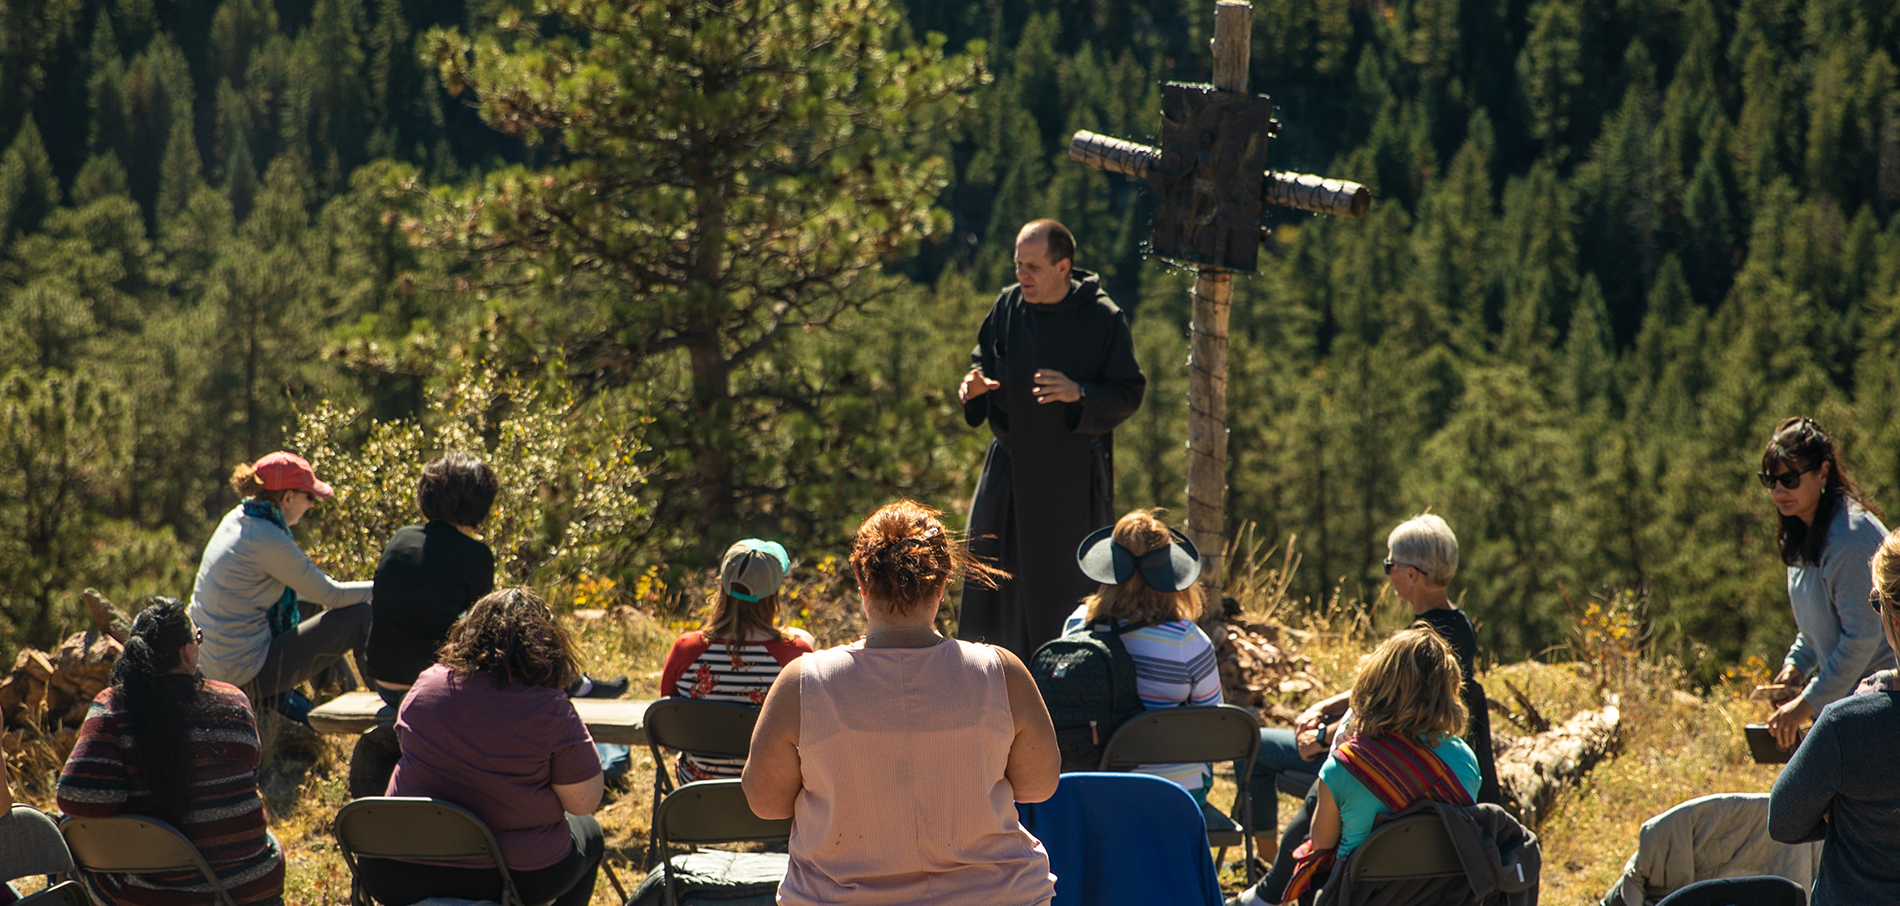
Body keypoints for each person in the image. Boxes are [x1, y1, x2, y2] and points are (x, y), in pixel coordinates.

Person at [743, 500, 1060, 906]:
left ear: (861, 580)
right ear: (943, 584)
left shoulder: (804, 684)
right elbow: (1039, 786)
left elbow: (765, 803)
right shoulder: (1002, 673)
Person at [1242, 514, 1499, 901]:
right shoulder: (1457, 628)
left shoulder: (1421, 637)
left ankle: (1268, 884)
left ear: (1411, 574)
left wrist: (1321, 734)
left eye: (1390, 565)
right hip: (1431, 806)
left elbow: (1379, 713)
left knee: (1297, 767)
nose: (1388, 573)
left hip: (1383, 770)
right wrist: (1327, 704)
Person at [957, 219, 1147, 660]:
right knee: (992, 588)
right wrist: (976, 386)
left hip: (1071, 481)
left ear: (1063, 267)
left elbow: (1129, 392)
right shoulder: (1008, 305)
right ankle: (986, 679)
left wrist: (1080, 392)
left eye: (1033, 267)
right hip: (1010, 473)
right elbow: (982, 360)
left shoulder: (1103, 317)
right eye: (1018, 264)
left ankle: (1064, 682)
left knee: (1064, 591)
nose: (1022, 275)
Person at [364, 587, 605, 906]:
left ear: (468, 633)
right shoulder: (548, 708)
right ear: (549, 647)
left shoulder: (425, 686)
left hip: (398, 868)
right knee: (591, 833)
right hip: (513, 877)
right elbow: (584, 802)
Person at [56, 598, 286, 906]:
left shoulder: (114, 707)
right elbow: (248, 779)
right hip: (250, 891)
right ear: (187, 652)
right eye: (198, 637)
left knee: (62, 827)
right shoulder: (235, 701)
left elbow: (78, 800)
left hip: (156, 895)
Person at [1236, 627, 1483, 906]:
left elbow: (1320, 844)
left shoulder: (1345, 765)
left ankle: (1264, 895)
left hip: (1359, 897)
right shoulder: (1464, 760)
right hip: (1436, 897)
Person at [366, 452, 626, 715]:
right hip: (432, 688)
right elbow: (489, 631)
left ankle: (574, 682)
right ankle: (573, 684)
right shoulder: (473, 554)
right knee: (510, 630)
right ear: (480, 504)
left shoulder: (401, 538)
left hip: (384, 685)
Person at [1768, 527, 1900, 902]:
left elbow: (1783, 821)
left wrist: (1841, 811)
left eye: (1877, 602)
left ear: (1893, 618)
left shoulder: (1846, 726)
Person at [188, 451, 372, 705]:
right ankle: (378, 712)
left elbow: (311, 589)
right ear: (287, 497)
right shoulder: (267, 537)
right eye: (309, 497)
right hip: (239, 676)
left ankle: (339, 699)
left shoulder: (240, 518)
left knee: (308, 605)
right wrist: (388, 587)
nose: (312, 505)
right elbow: (334, 595)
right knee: (361, 616)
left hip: (212, 663)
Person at [1063, 510, 1223, 799]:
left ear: (1109, 569)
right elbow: (1212, 730)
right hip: (1174, 793)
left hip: (1092, 785)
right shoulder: (1188, 641)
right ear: (1169, 571)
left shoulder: (1077, 626)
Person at [1758, 417, 1891, 749]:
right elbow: (1817, 626)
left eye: (1788, 479)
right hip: (1850, 708)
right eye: (1770, 480)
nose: (1777, 491)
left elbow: (1860, 637)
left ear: (1823, 472)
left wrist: (1804, 705)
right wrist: (1795, 667)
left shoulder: (1849, 538)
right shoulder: (1804, 530)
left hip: (1883, 707)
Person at [659, 538, 815, 783]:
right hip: (771, 798)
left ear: (722, 585)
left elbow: (667, 735)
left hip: (697, 796)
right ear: (774, 593)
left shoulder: (686, 649)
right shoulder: (795, 655)